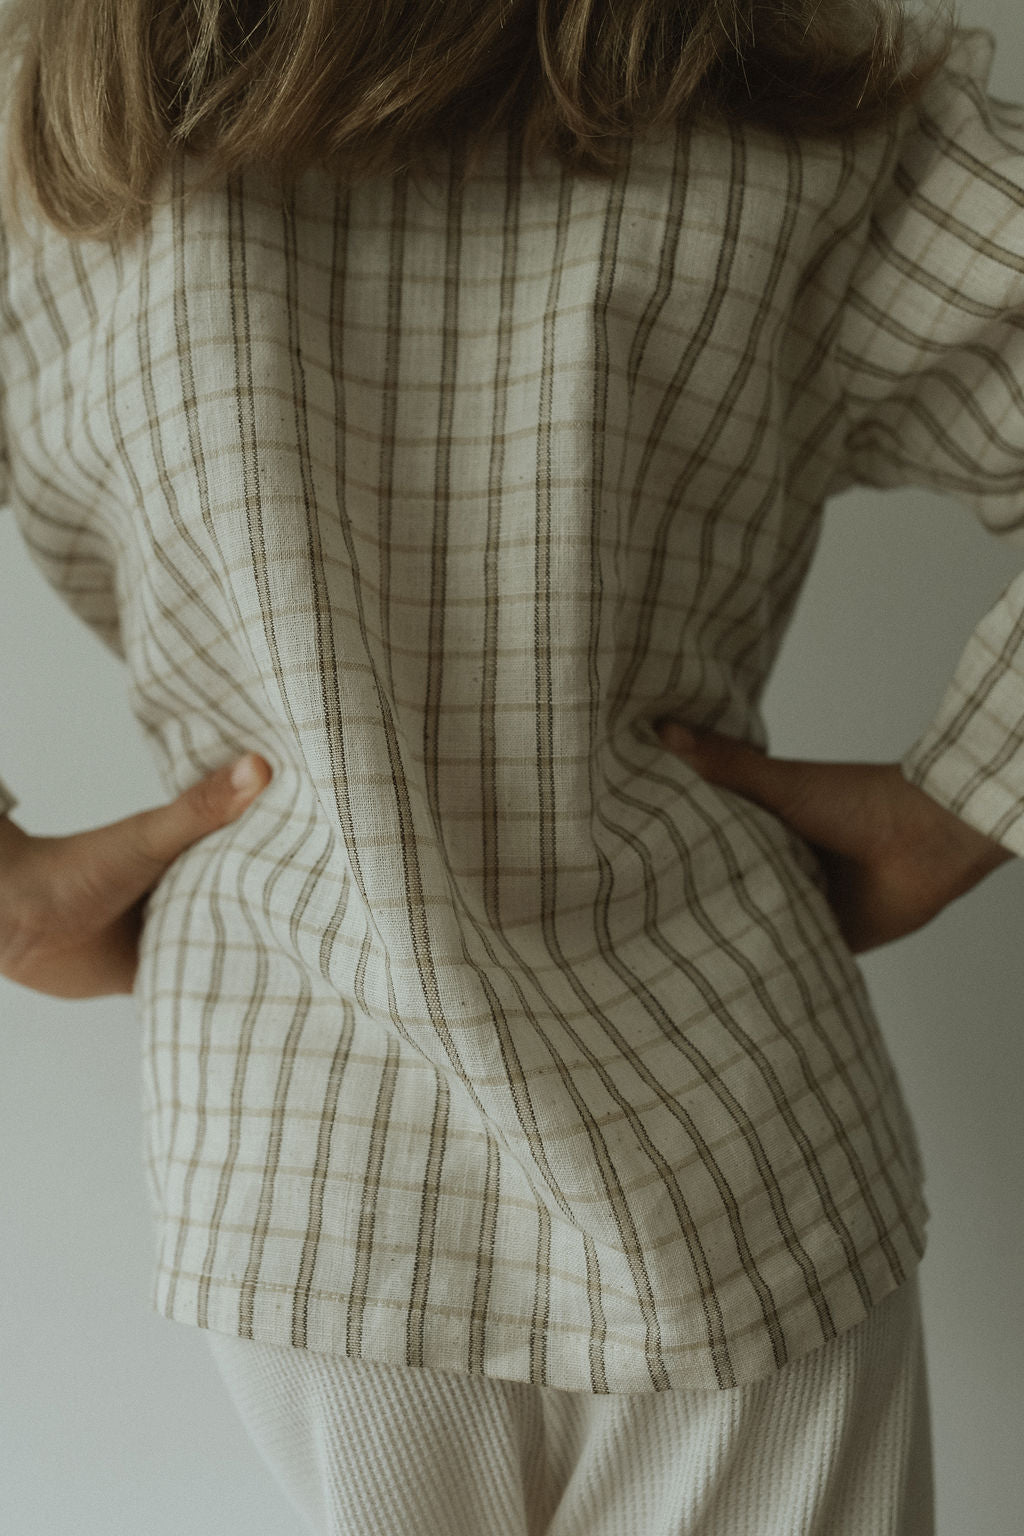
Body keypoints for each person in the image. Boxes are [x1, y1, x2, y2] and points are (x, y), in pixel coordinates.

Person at [0, 0, 1020, 1530]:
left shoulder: (54, 135)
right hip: (726, 1097)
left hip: (296, 1129)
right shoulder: (784, 106)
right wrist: (963, 799)